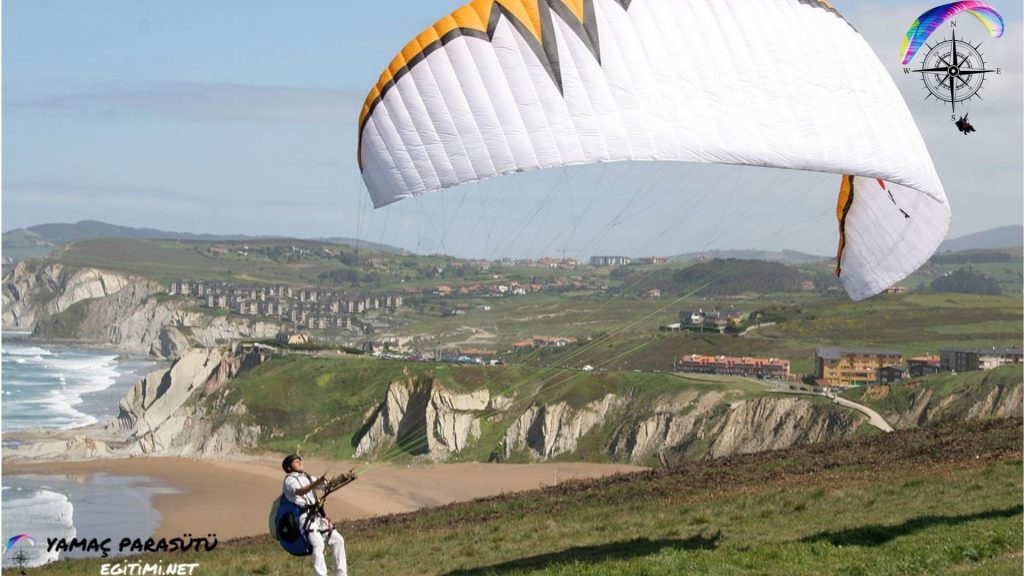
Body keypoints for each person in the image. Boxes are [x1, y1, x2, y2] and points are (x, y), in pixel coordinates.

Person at [282, 454, 348, 576]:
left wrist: (342, 478)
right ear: (289, 467)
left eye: (299, 461)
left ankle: (341, 574)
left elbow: (328, 486)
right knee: (318, 544)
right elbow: (300, 491)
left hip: (317, 516)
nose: (299, 463)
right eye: (296, 462)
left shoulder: (307, 477)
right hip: (304, 518)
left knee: (338, 540)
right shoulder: (289, 480)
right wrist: (315, 483)